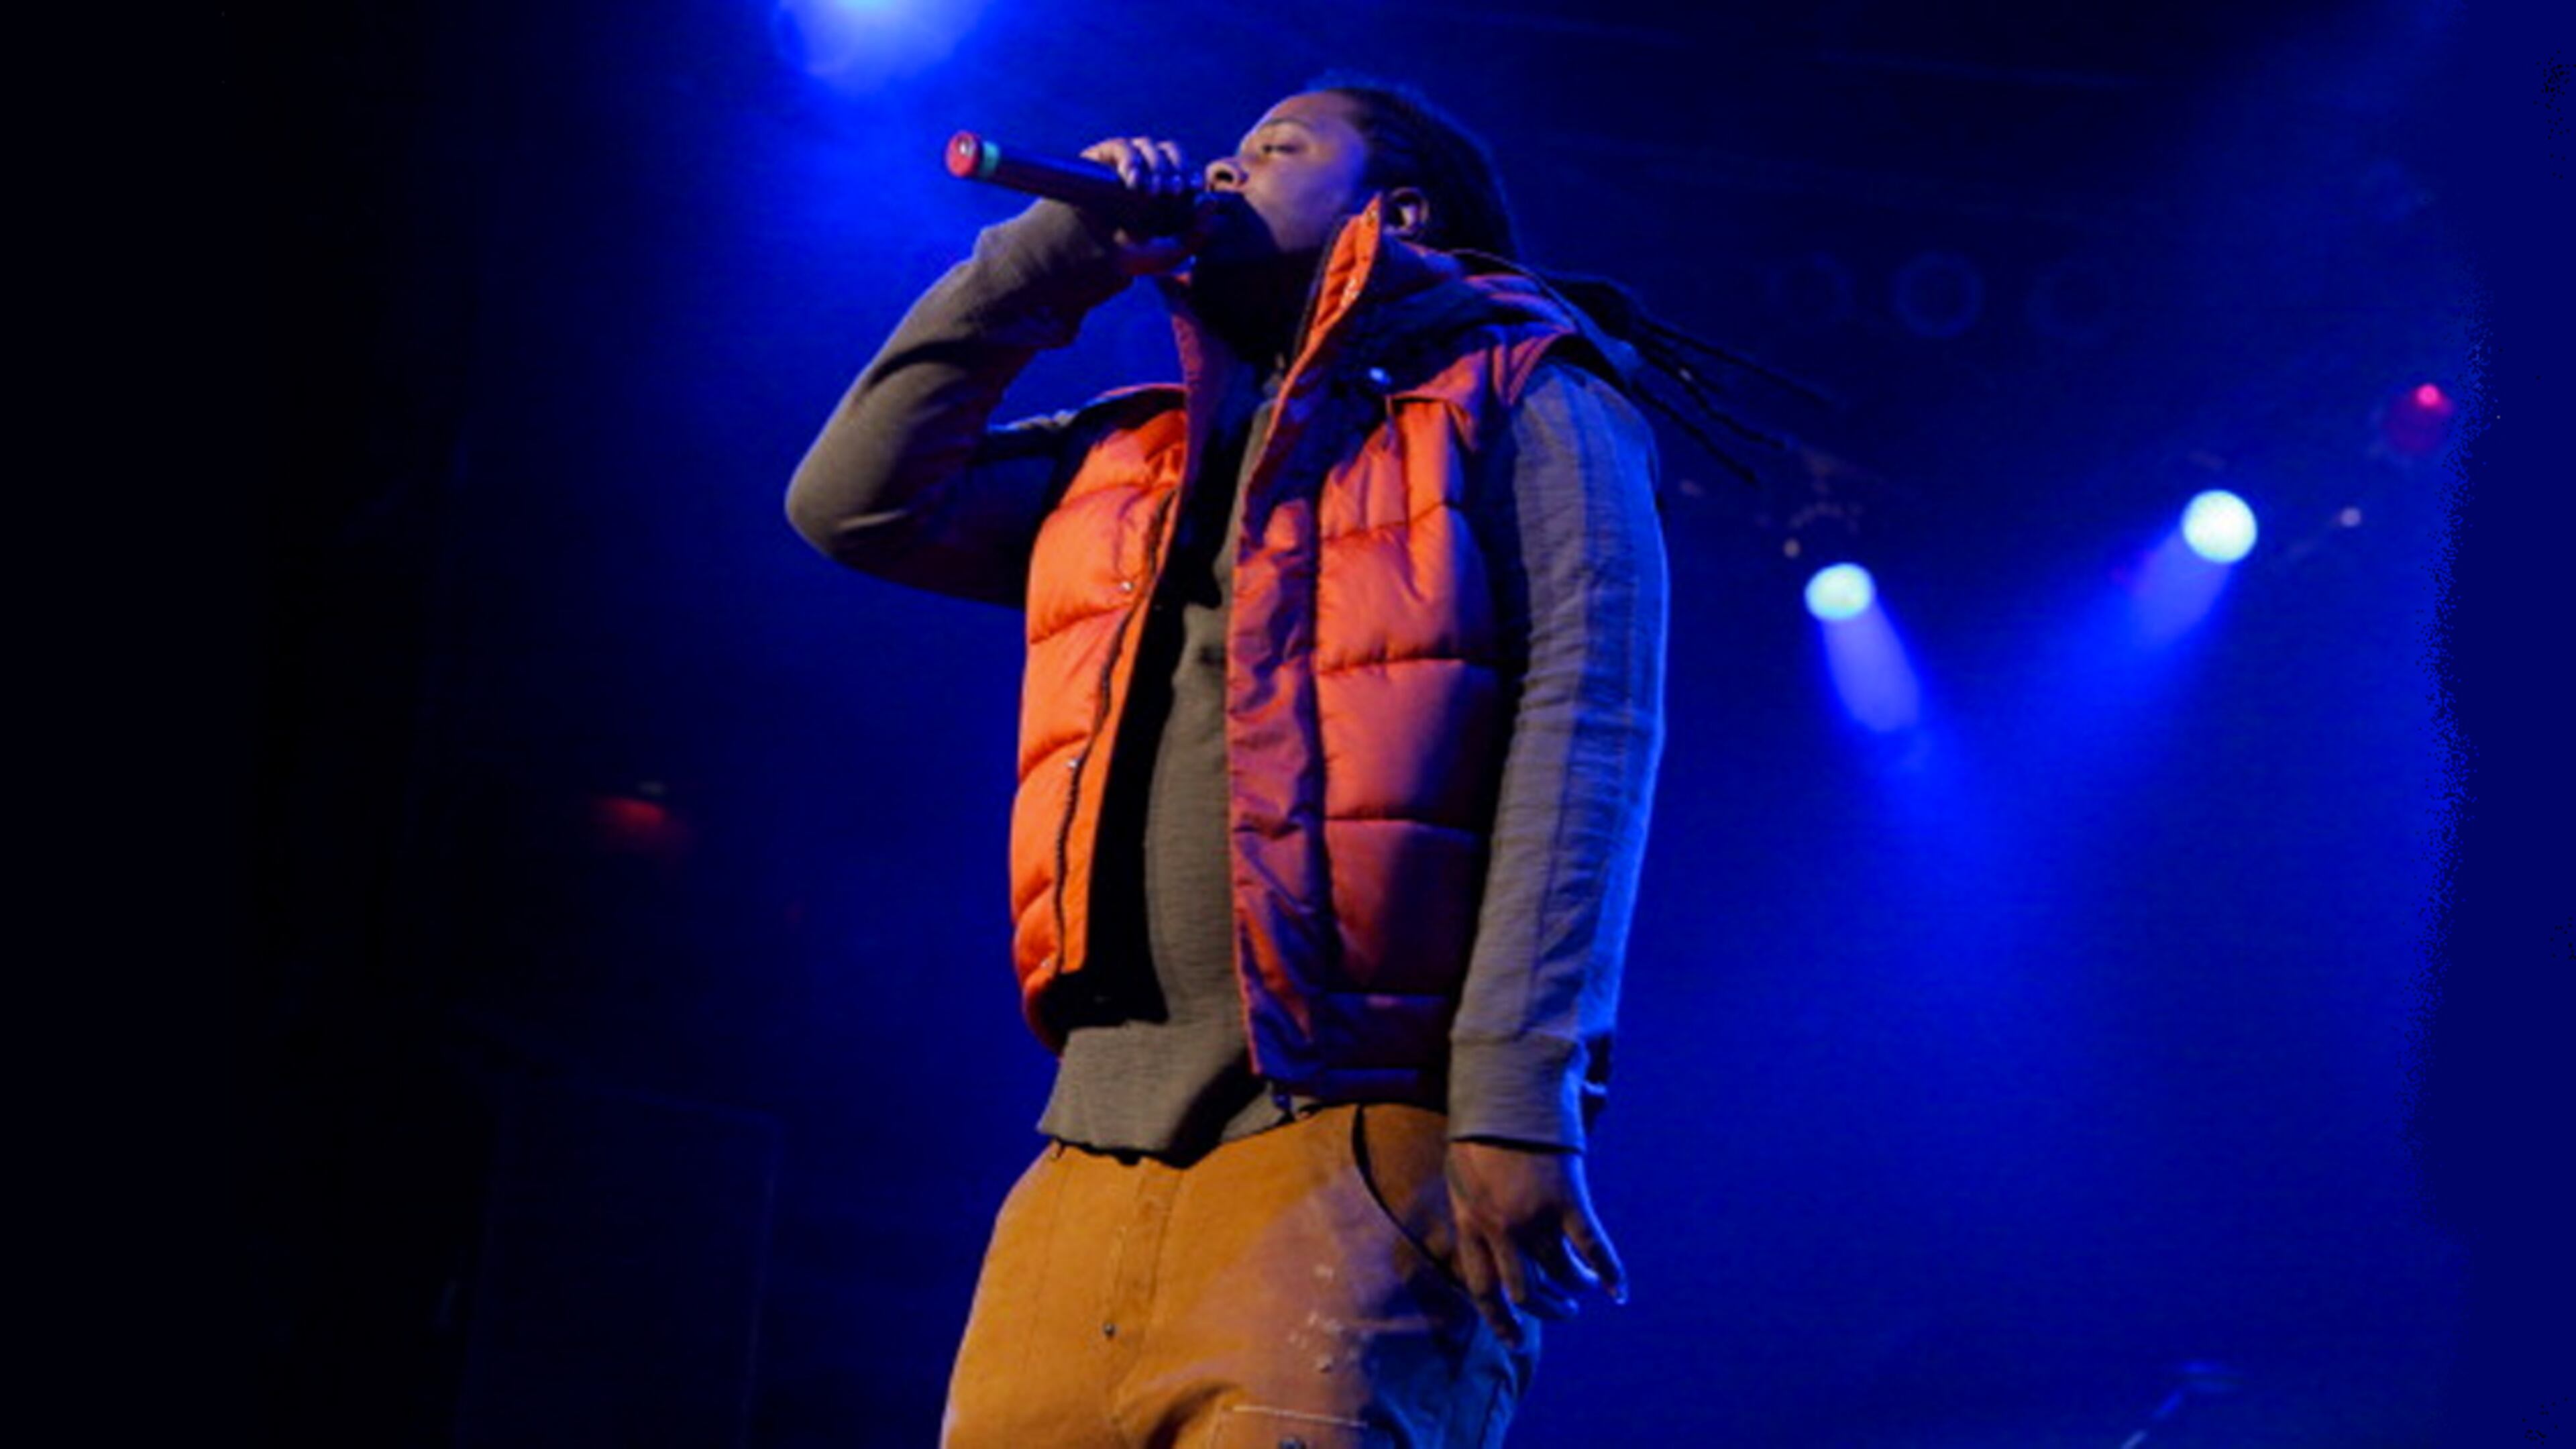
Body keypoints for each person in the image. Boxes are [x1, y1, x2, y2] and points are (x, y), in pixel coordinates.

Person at [787, 76, 1667, 1448]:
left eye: (1277, 147)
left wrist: (1517, 1096)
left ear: (1397, 211)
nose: (1222, 165)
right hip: (1091, 1151)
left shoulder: (1527, 397)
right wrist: (1046, 261)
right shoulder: (1132, 454)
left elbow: (1587, 739)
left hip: (1351, 1143)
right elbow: (854, 503)